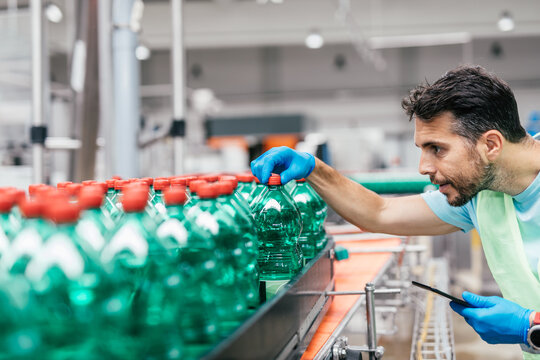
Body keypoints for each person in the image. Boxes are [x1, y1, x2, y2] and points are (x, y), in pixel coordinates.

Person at [250, 65, 540, 358]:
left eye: (437, 149)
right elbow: (381, 212)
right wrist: (314, 169)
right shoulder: (483, 196)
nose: (423, 167)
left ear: (490, 144)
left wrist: (530, 329)